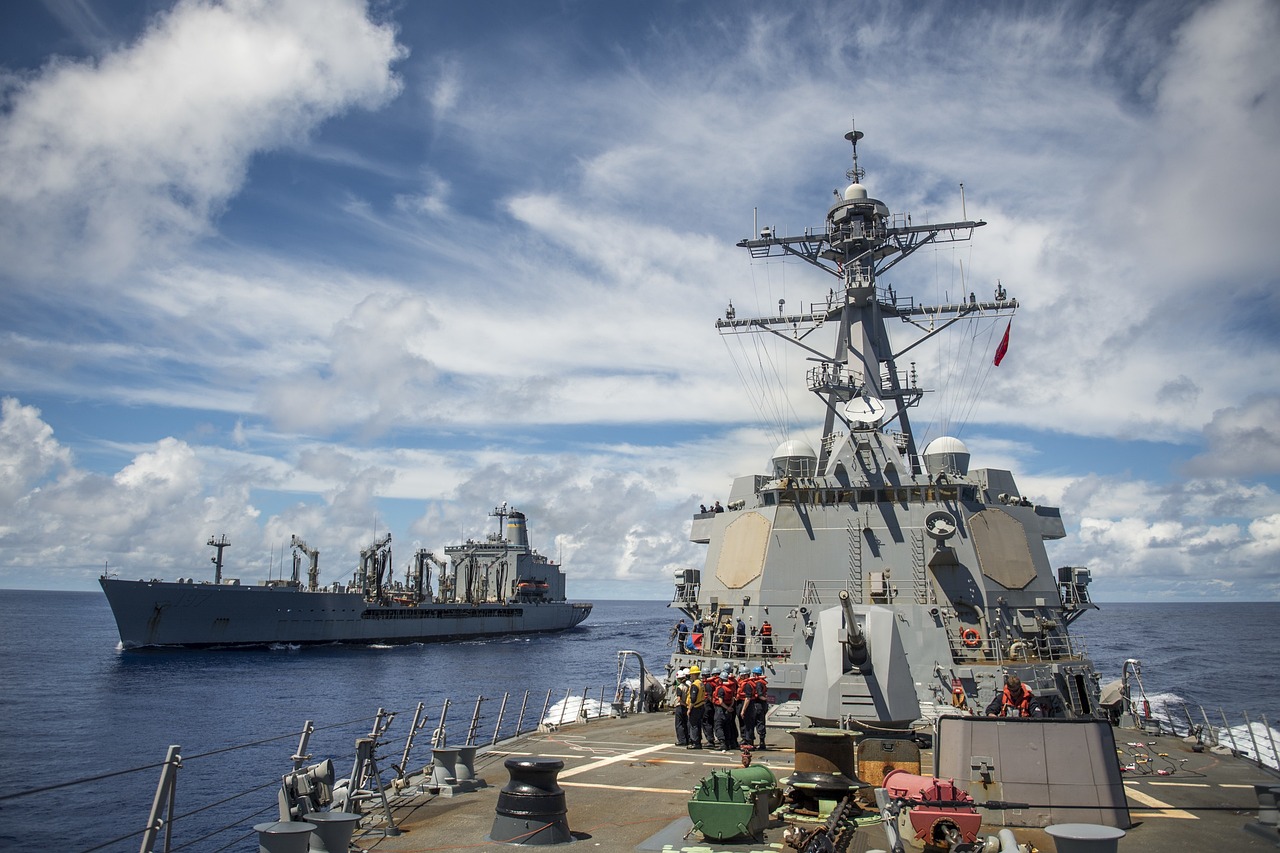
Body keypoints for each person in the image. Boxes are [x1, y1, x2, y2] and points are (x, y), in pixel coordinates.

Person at [685, 666, 706, 749]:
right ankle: (698, 741)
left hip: (695, 707)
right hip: (701, 705)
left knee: (693, 725)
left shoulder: (694, 685)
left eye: (691, 674)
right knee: (698, 724)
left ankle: (695, 743)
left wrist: (689, 709)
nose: (691, 676)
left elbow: (693, 698)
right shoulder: (701, 683)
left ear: (694, 674)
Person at [672, 669, 690, 746]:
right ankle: (687, 739)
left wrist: (683, 704)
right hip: (686, 706)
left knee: (679, 724)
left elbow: (679, 698)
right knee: (685, 723)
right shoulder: (687, 686)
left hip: (680, 706)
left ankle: (682, 740)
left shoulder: (679, 687)